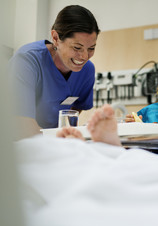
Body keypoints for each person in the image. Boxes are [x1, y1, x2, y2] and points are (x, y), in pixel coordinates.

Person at [9, 5, 100, 139]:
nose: (84, 56)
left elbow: (75, 110)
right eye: (77, 47)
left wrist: (65, 134)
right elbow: (22, 124)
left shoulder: (86, 71)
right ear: (56, 38)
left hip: (49, 141)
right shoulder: (27, 61)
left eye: (91, 48)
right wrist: (56, 144)